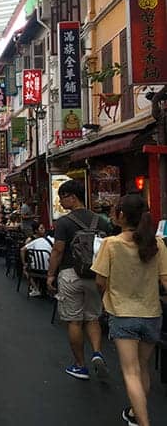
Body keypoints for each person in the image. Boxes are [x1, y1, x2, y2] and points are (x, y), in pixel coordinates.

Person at [92, 194, 167, 426]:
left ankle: (143, 422)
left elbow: (100, 281)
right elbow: (165, 280)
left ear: (121, 215)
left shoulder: (111, 244)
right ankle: (135, 414)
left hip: (123, 314)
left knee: (131, 372)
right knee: (143, 368)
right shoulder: (157, 244)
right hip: (152, 314)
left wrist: (106, 296)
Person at [46, 179, 111, 380]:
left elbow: (58, 250)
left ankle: (80, 365)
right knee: (92, 317)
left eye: (62, 197)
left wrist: (50, 275)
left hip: (70, 274)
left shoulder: (64, 222)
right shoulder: (101, 221)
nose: (61, 202)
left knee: (74, 321)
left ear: (72, 197)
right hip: (94, 274)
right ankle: (98, 352)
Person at [21, 221, 54, 297]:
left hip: (36, 265)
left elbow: (23, 250)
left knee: (27, 269)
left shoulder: (39, 240)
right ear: (36, 230)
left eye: (44, 228)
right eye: (41, 228)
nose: (44, 230)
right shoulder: (32, 240)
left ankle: (36, 288)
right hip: (44, 265)